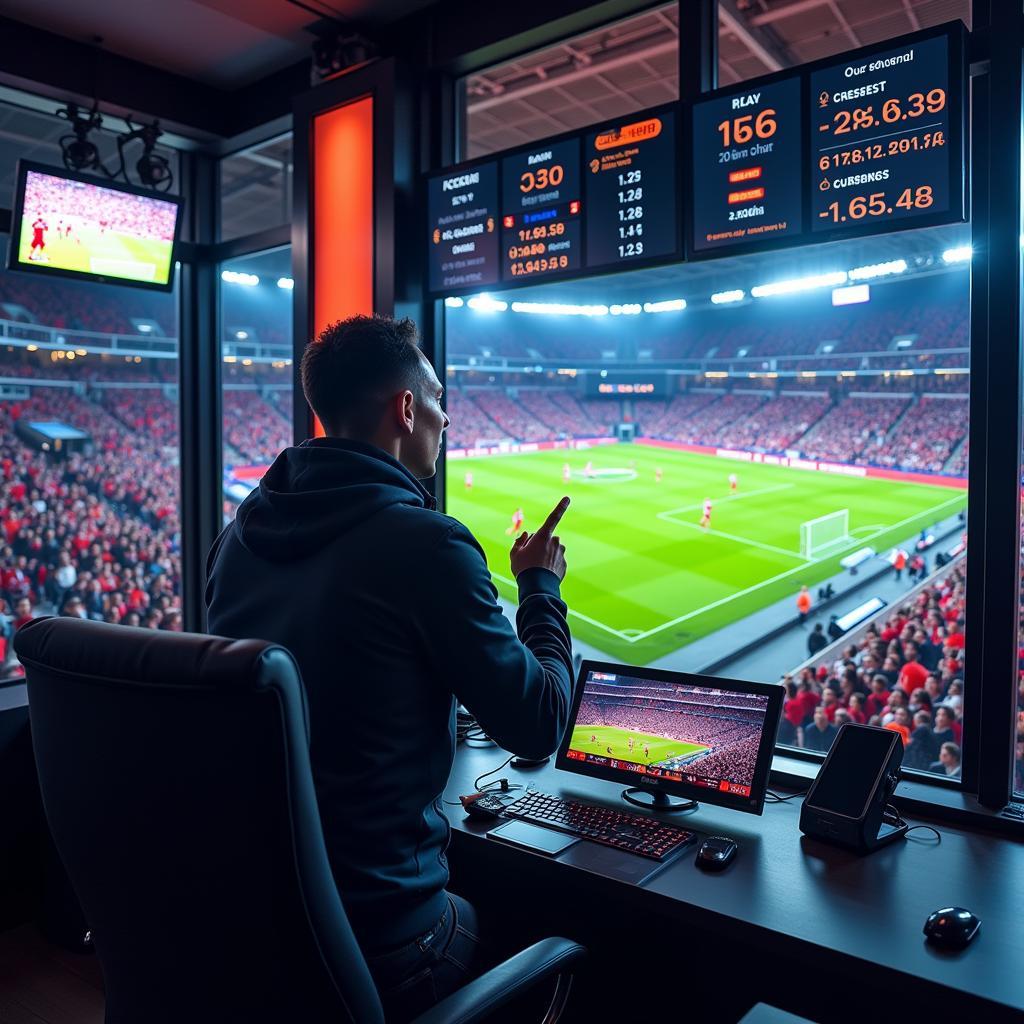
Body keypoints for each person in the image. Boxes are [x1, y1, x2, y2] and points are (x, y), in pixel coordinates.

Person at [206, 315, 574, 1022]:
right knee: (550, 925)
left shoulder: (236, 537)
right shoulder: (425, 545)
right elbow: (538, 725)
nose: (445, 413)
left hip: (258, 925)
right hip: (387, 940)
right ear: (407, 410)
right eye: (437, 397)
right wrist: (539, 589)